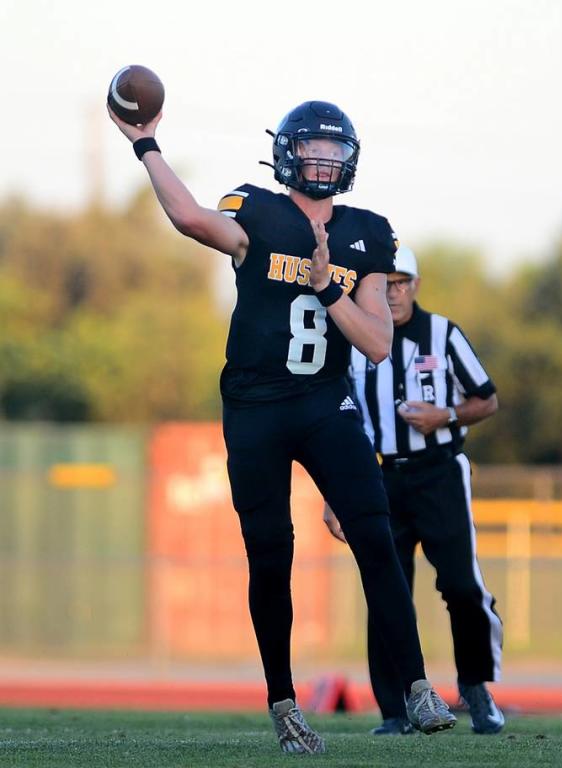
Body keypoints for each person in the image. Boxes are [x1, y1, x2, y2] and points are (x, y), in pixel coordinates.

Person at [108, 100, 456, 753]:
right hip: (255, 406)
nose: (323, 158)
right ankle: (284, 704)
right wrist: (146, 144)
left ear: (349, 159)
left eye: (334, 149)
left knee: (376, 532)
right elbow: (189, 218)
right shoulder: (258, 210)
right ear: (288, 153)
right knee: (272, 558)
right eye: (313, 147)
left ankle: (415, 687)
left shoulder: (367, 231)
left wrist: (329, 289)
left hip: (326, 401)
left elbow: (378, 343)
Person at [324, 245, 505, 734]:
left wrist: (444, 415)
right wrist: (333, 494)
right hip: (379, 476)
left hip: (439, 471)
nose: (394, 292)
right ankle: (394, 708)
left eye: (402, 282)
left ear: (416, 286)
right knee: (387, 589)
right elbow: (339, 421)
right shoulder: (356, 337)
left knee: (462, 585)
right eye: (386, 282)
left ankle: (476, 686)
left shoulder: (442, 333)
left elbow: (487, 400)